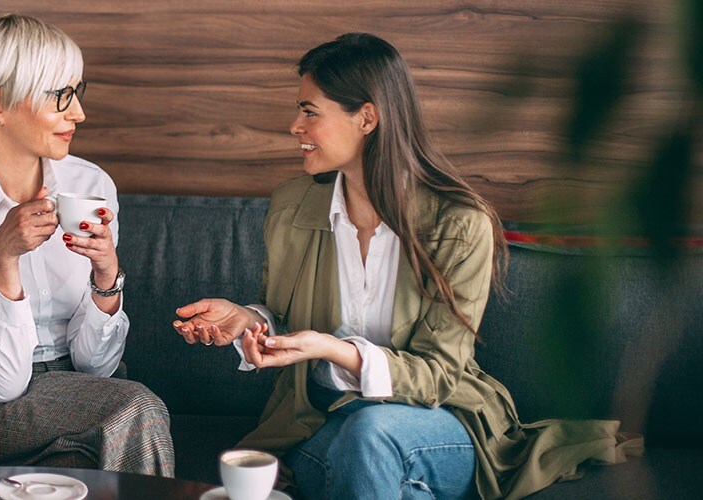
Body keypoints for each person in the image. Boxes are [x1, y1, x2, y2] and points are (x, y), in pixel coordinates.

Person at [173, 33, 640, 499]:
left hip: (435, 421)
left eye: (310, 112)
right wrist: (249, 321)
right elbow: (284, 317)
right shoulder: (292, 206)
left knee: (369, 434)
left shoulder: (459, 224)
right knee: (359, 452)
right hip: (320, 420)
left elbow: (439, 375)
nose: (295, 126)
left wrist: (334, 350)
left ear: (368, 118)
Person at [0, 13, 173, 476]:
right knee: (135, 409)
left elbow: (96, 369)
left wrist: (107, 277)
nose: (78, 114)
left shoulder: (91, 185)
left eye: (77, 93)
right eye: (59, 97)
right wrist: (2, 259)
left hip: (78, 391)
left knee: (76, 468)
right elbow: (3, 382)